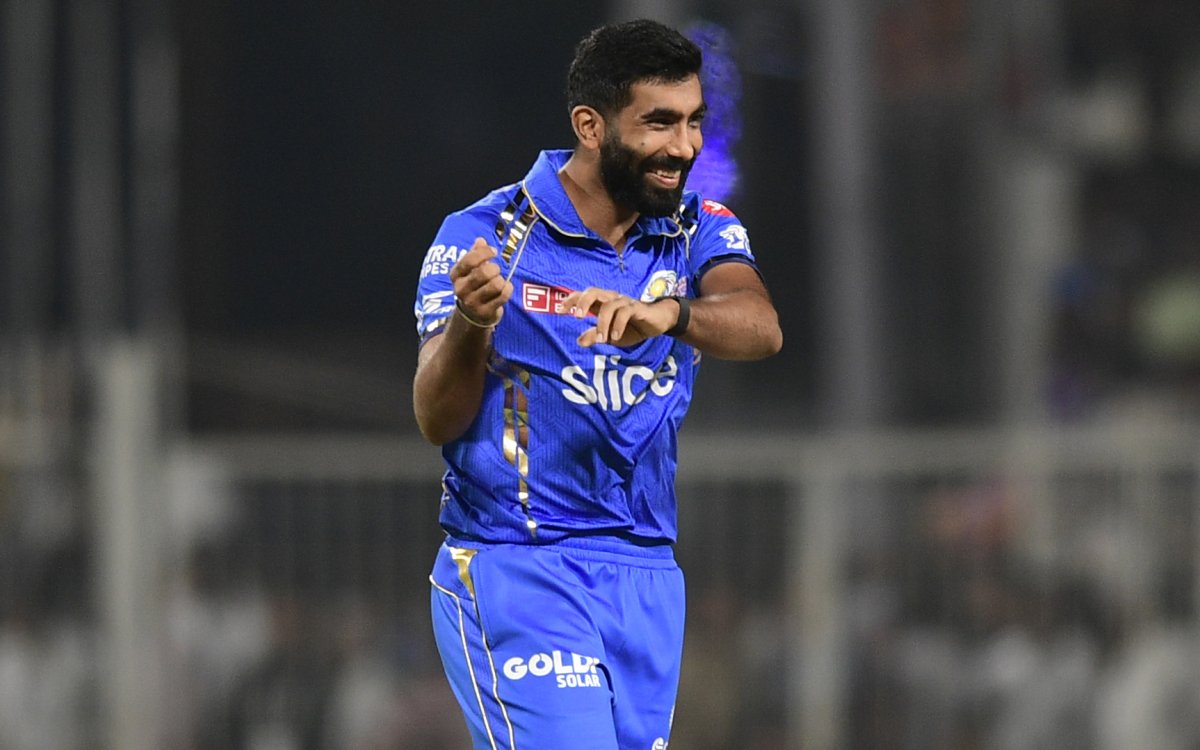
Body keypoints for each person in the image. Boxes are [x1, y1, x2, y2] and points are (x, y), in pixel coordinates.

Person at [412, 18, 782, 749]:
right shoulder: (485, 235)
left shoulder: (696, 228)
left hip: (646, 574)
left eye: (694, 121)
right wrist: (471, 323)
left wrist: (669, 314)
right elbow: (436, 417)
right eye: (659, 122)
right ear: (591, 125)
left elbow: (760, 326)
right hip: (520, 564)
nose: (685, 146)